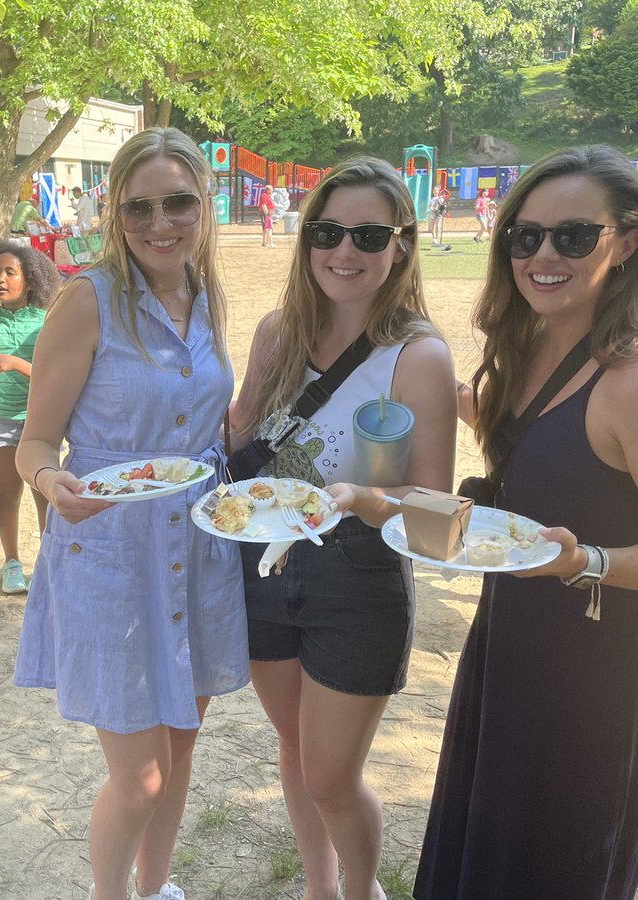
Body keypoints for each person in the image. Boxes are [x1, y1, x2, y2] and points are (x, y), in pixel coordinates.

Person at [415, 145, 638, 900]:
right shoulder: (530, 343)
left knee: (558, 850)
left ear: (626, 243)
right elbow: (554, 455)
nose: (543, 255)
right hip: (518, 622)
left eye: (572, 236)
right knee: (492, 824)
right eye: (525, 236)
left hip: (604, 664)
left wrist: (585, 561)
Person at [13, 127, 247, 900]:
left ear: (204, 204)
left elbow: (209, 419)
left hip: (201, 550)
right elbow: (34, 440)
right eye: (138, 206)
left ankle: (155, 891)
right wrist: (50, 483)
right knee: (141, 777)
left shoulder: (207, 293)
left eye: (178, 201)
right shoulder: (87, 301)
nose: (160, 222)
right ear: (114, 213)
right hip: (111, 547)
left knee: (181, 749)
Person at [230, 157, 456, 900]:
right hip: (263, 565)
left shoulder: (418, 355)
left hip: (357, 575)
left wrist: (362, 497)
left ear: (402, 244)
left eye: (367, 234)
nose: (345, 251)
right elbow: (239, 441)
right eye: (328, 231)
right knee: (296, 751)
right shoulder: (277, 333)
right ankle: (320, 890)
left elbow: (433, 506)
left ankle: (363, 890)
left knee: (332, 775)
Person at [0, 240, 60, 595]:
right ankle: (11, 564)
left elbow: (54, 378)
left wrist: (16, 363)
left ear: (31, 280)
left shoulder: (46, 321)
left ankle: (48, 564)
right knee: (9, 493)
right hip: (2, 422)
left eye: (10, 272)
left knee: (43, 494)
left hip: (40, 422)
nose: (0, 280)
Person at [259, 184, 276, 248]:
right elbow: (263, 205)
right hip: (266, 214)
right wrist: (267, 214)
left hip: (268, 214)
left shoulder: (268, 196)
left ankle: (264, 242)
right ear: (268, 190)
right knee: (268, 228)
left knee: (266, 228)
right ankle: (269, 242)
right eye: (271, 189)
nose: (272, 191)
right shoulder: (264, 196)